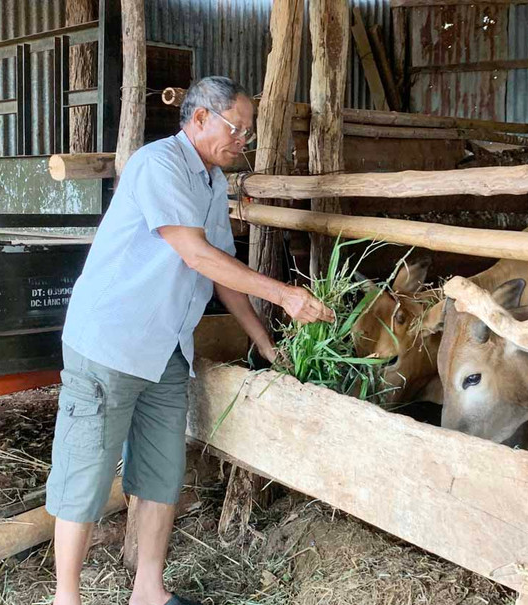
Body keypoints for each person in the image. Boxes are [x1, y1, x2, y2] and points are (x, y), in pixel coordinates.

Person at [45, 76, 333, 605]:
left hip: (166, 351)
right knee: (85, 471)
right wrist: (287, 295)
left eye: (246, 133)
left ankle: (148, 592)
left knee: (161, 474)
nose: (241, 141)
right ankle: (68, 597)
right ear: (198, 118)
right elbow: (195, 255)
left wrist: (267, 345)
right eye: (236, 129)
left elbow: (223, 274)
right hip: (111, 342)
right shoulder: (159, 164)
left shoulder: (211, 181)